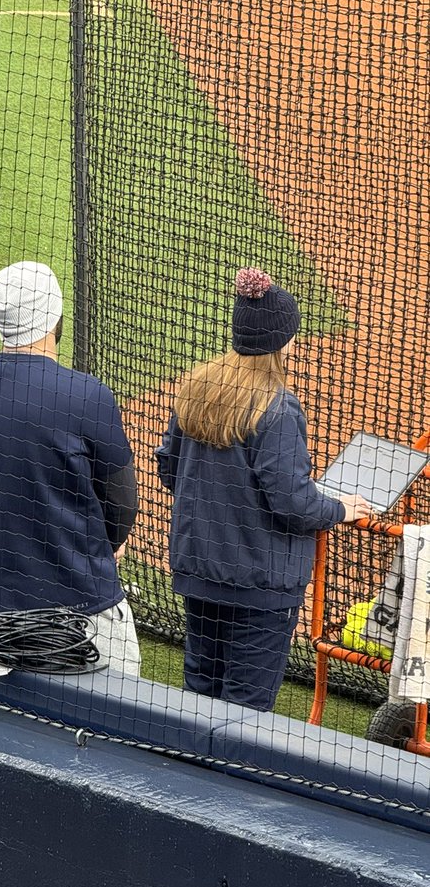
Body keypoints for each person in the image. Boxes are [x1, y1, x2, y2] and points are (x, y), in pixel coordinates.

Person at [155, 267, 371, 711]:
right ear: (283, 339)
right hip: (259, 587)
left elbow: (169, 469)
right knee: (245, 716)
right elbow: (291, 502)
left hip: (200, 574)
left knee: (199, 698)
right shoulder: (276, 406)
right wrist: (338, 508)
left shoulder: (197, 385)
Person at [0, 262, 141, 675]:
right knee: (117, 729)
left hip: (2, 617)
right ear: (54, 317)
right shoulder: (87, 396)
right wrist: (103, 545)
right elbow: (122, 502)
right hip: (83, 616)